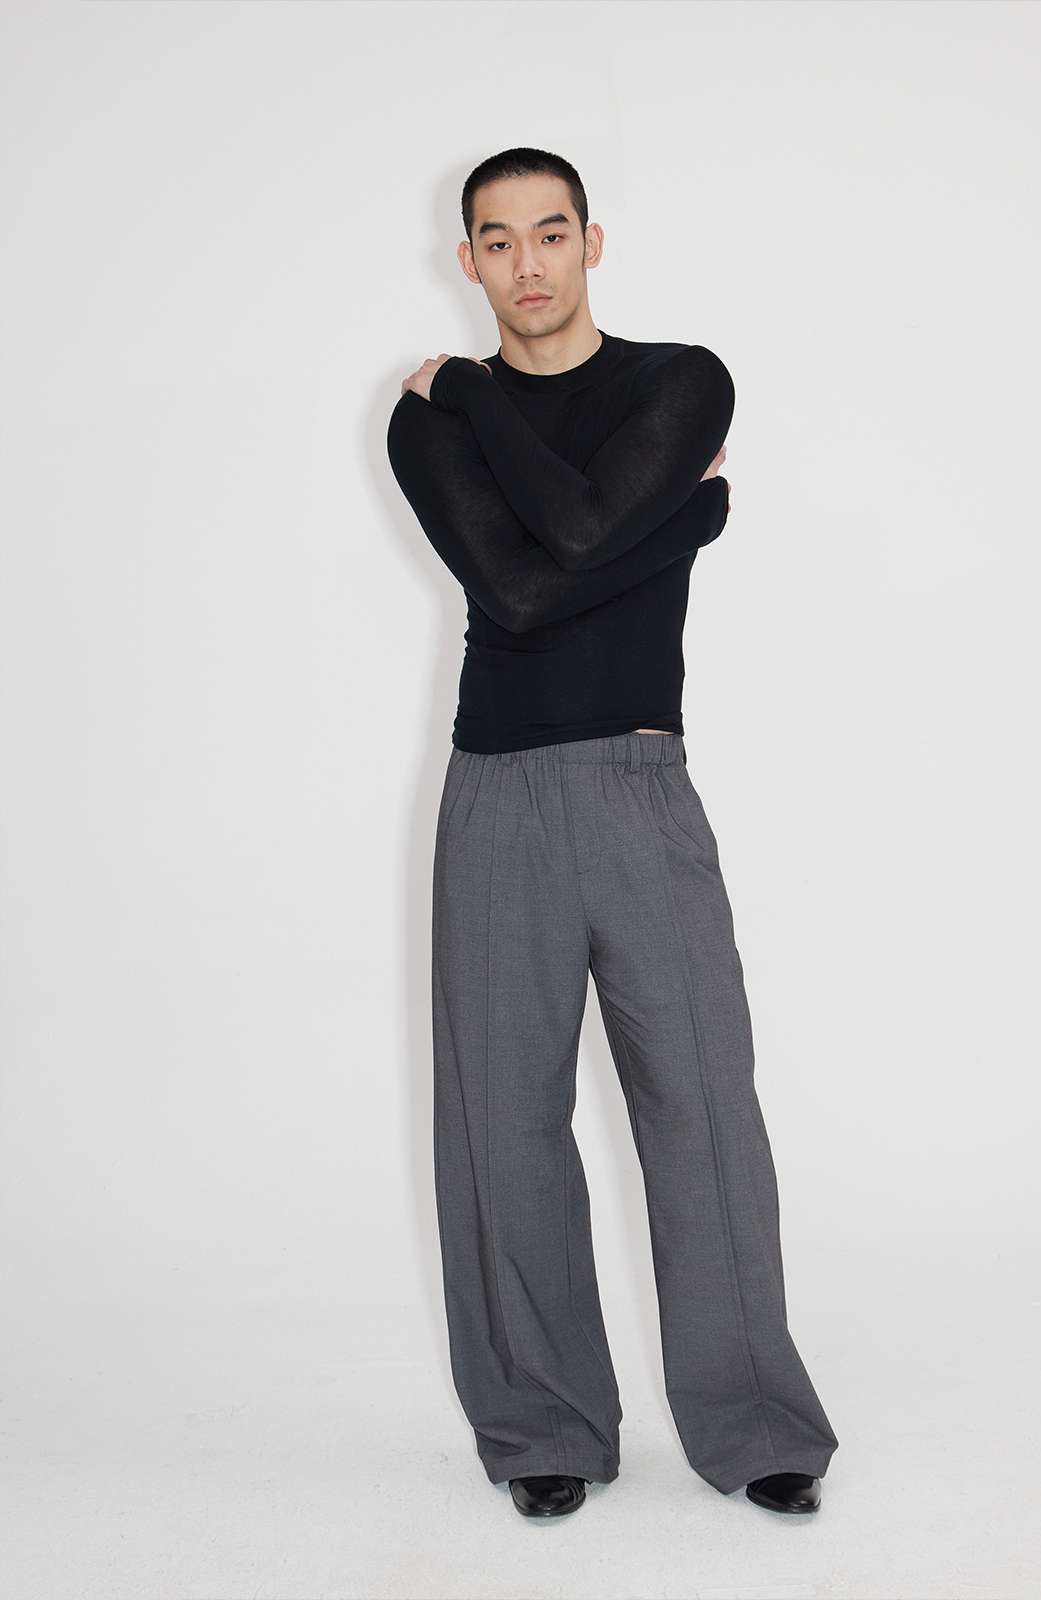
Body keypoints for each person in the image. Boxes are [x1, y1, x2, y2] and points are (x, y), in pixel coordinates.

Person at [387, 148, 837, 1520]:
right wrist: (694, 514)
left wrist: (480, 399)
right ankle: (544, 1428)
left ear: (591, 242)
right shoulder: (430, 423)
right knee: (503, 1122)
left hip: (642, 787)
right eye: (498, 241)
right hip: (496, 795)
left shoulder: (677, 384)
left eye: (550, 233)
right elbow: (522, 596)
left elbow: (574, 535)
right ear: (468, 261)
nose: (527, 264)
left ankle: (755, 1421)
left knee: (703, 1108)